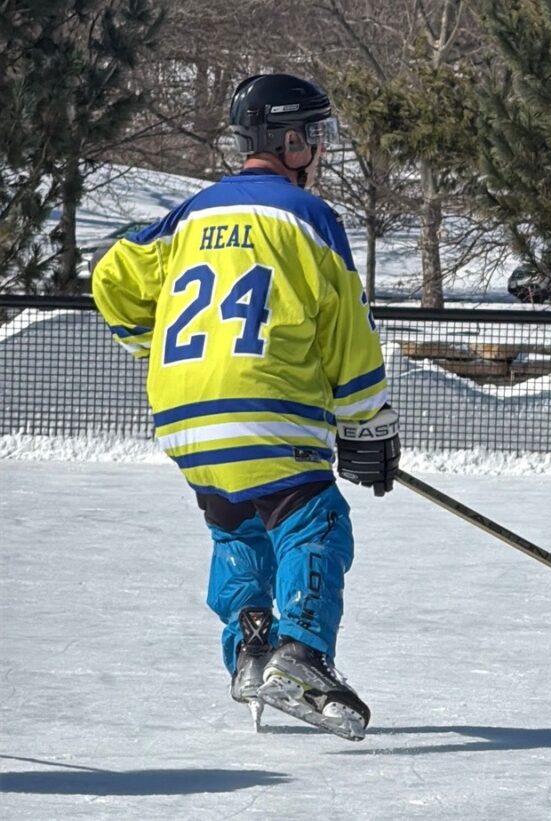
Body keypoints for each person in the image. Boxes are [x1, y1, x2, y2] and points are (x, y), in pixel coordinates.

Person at [90, 73, 400, 741]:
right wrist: (368, 425)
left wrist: (159, 347)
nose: (320, 150)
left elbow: (111, 276)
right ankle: (303, 653)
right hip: (266, 403)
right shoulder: (309, 218)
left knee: (238, 526)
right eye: (314, 136)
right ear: (290, 141)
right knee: (313, 522)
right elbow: (347, 328)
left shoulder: (188, 215)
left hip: (186, 417)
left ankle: (253, 648)